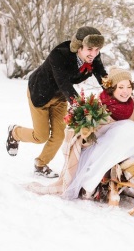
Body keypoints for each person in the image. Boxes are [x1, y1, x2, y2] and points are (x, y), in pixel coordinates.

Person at [25, 66, 134, 206]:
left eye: (129, 87)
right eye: (121, 87)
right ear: (111, 88)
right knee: (126, 128)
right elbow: (79, 137)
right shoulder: (98, 107)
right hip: (102, 155)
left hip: (131, 153)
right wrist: (85, 132)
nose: (125, 91)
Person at [6, 26, 108, 178]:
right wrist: (80, 106)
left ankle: (40, 165)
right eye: (90, 49)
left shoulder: (93, 57)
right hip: (40, 93)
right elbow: (63, 82)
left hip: (60, 97)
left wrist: (115, 91)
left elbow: (102, 75)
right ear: (78, 46)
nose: (94, 53)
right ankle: (15, 132)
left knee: (59, 135)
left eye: (97, 49)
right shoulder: (59, 55)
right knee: (40, 136)